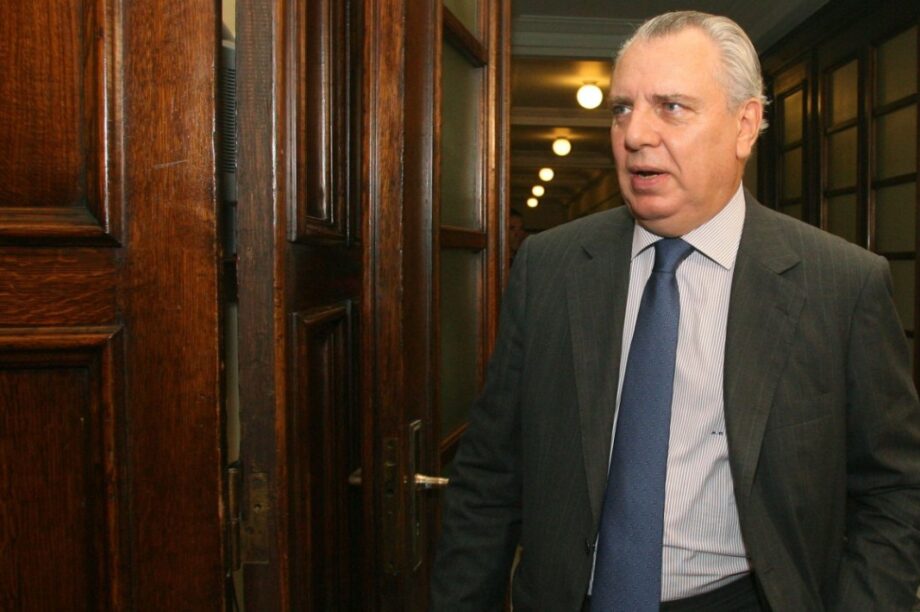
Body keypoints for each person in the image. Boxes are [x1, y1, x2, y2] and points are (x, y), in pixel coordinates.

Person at [431, 10, 920, 611]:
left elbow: (893, 492)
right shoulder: (550, 266)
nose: (635, 133)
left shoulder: (840, 285)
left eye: (671, 107)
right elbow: (489, 476)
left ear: (745, 125)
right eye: (622, 108)